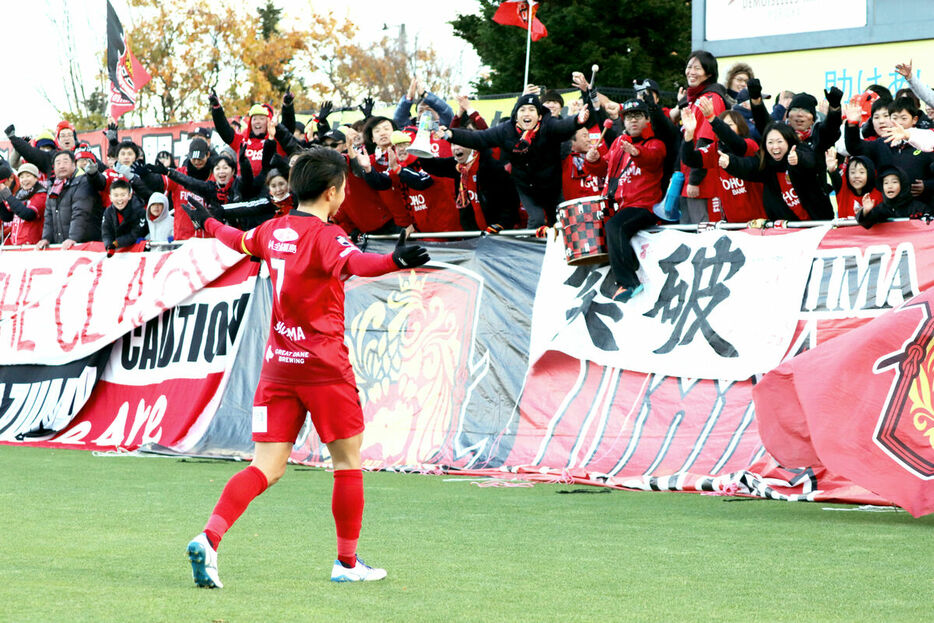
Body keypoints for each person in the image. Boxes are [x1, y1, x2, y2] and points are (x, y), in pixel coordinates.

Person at [182, 147, 430, 588]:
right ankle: (347, 563)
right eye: (345, 189)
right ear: (333, 192)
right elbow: (359, 263)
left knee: (266, 466)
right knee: (347, 462)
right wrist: (396, 260)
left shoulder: (273, 230)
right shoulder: (327, 235)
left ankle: (210, 536)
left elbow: (232, 238)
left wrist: (206, 221)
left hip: (279, 366)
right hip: (325, 368)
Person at [440, 93, 589, 230]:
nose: (527, 113)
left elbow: (563, 127)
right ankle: (529, 255)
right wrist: (450, 134)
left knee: (559, 221)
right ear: (516, 115)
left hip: (552, 185)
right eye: (522, 110)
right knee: (536, 220)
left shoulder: (548, 125)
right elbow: (479, 138)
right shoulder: (506, 130)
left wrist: (577, 120)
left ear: (539, 115)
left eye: (532, 110)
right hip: (525, 185)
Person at [584, 99, 666, 301]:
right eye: (629, 117)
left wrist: (637, 152)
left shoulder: (656, 144)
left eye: (638, 116)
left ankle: (628, 282)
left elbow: (653, 159)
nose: (633, 121)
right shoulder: (618, 144)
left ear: (648, 119)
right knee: (603, 227)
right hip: (620, 206)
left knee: (615, 227)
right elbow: (604, 168)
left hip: (645, 206)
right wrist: (593, 161)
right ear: (624, 122)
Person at [719, 122, 832, 221]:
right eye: (770, 142)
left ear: (788, 141)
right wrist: (730, 162)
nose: (775, 147)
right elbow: (748, 166)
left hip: (818, 225)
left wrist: (798, 158)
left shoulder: (801, 152)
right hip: (787, 230)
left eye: (779, 141)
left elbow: (810, 160)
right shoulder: (766, 165)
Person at [672, 50, 729, 224]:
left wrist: (695, 180)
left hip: (703, 184)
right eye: (689, 67)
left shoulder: (711, 99)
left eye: (697, 68)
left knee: (704, 235)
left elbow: (707, 142)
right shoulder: (696, 98)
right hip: (688, 179)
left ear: (709, 73)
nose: (691, 72)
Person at [36, 150, 102, 249]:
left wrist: (73, 238)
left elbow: (81, 212)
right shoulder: (53, 187)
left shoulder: (83, 182)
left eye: (65, 162)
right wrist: (46, 238)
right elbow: (49, 216)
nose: (61, 166)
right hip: (62, 245)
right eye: (58, 163)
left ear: (74, 165)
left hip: (83, 245)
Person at [856, 165, 930, 228]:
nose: (889, 186)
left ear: (902, 184)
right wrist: (865, 211)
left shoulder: (919, 207)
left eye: (894, 182)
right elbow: (866, 223)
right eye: (886, 183)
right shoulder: (881, 208)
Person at [825, 149, 881, 219]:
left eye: (861, 172)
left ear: (869, 174)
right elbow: (835, 178)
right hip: (844, 230)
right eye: (852, 172)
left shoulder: (878, 194)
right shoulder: (843, 189)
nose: (856, 176)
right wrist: (832, 170)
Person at [0, 162, 46, 245]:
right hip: (17, 245)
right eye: (21, 177)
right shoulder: (19, 194)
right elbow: (8, 217)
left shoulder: (41, 194)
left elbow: (28, 214)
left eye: (28, 176)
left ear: (36, 178)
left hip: (32, 246)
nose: (24, 179)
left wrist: (7, 195)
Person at [101, 178, 148, 252]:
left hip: (138, 251)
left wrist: (116, 243)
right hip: (117, 250)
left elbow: (135, 234)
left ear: (129, 196)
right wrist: (108, 245)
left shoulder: (139, 210)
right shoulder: (108, 211)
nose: (120, 199)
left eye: (123, 195)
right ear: (110, 197)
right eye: (116, 195)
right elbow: (106, 232)